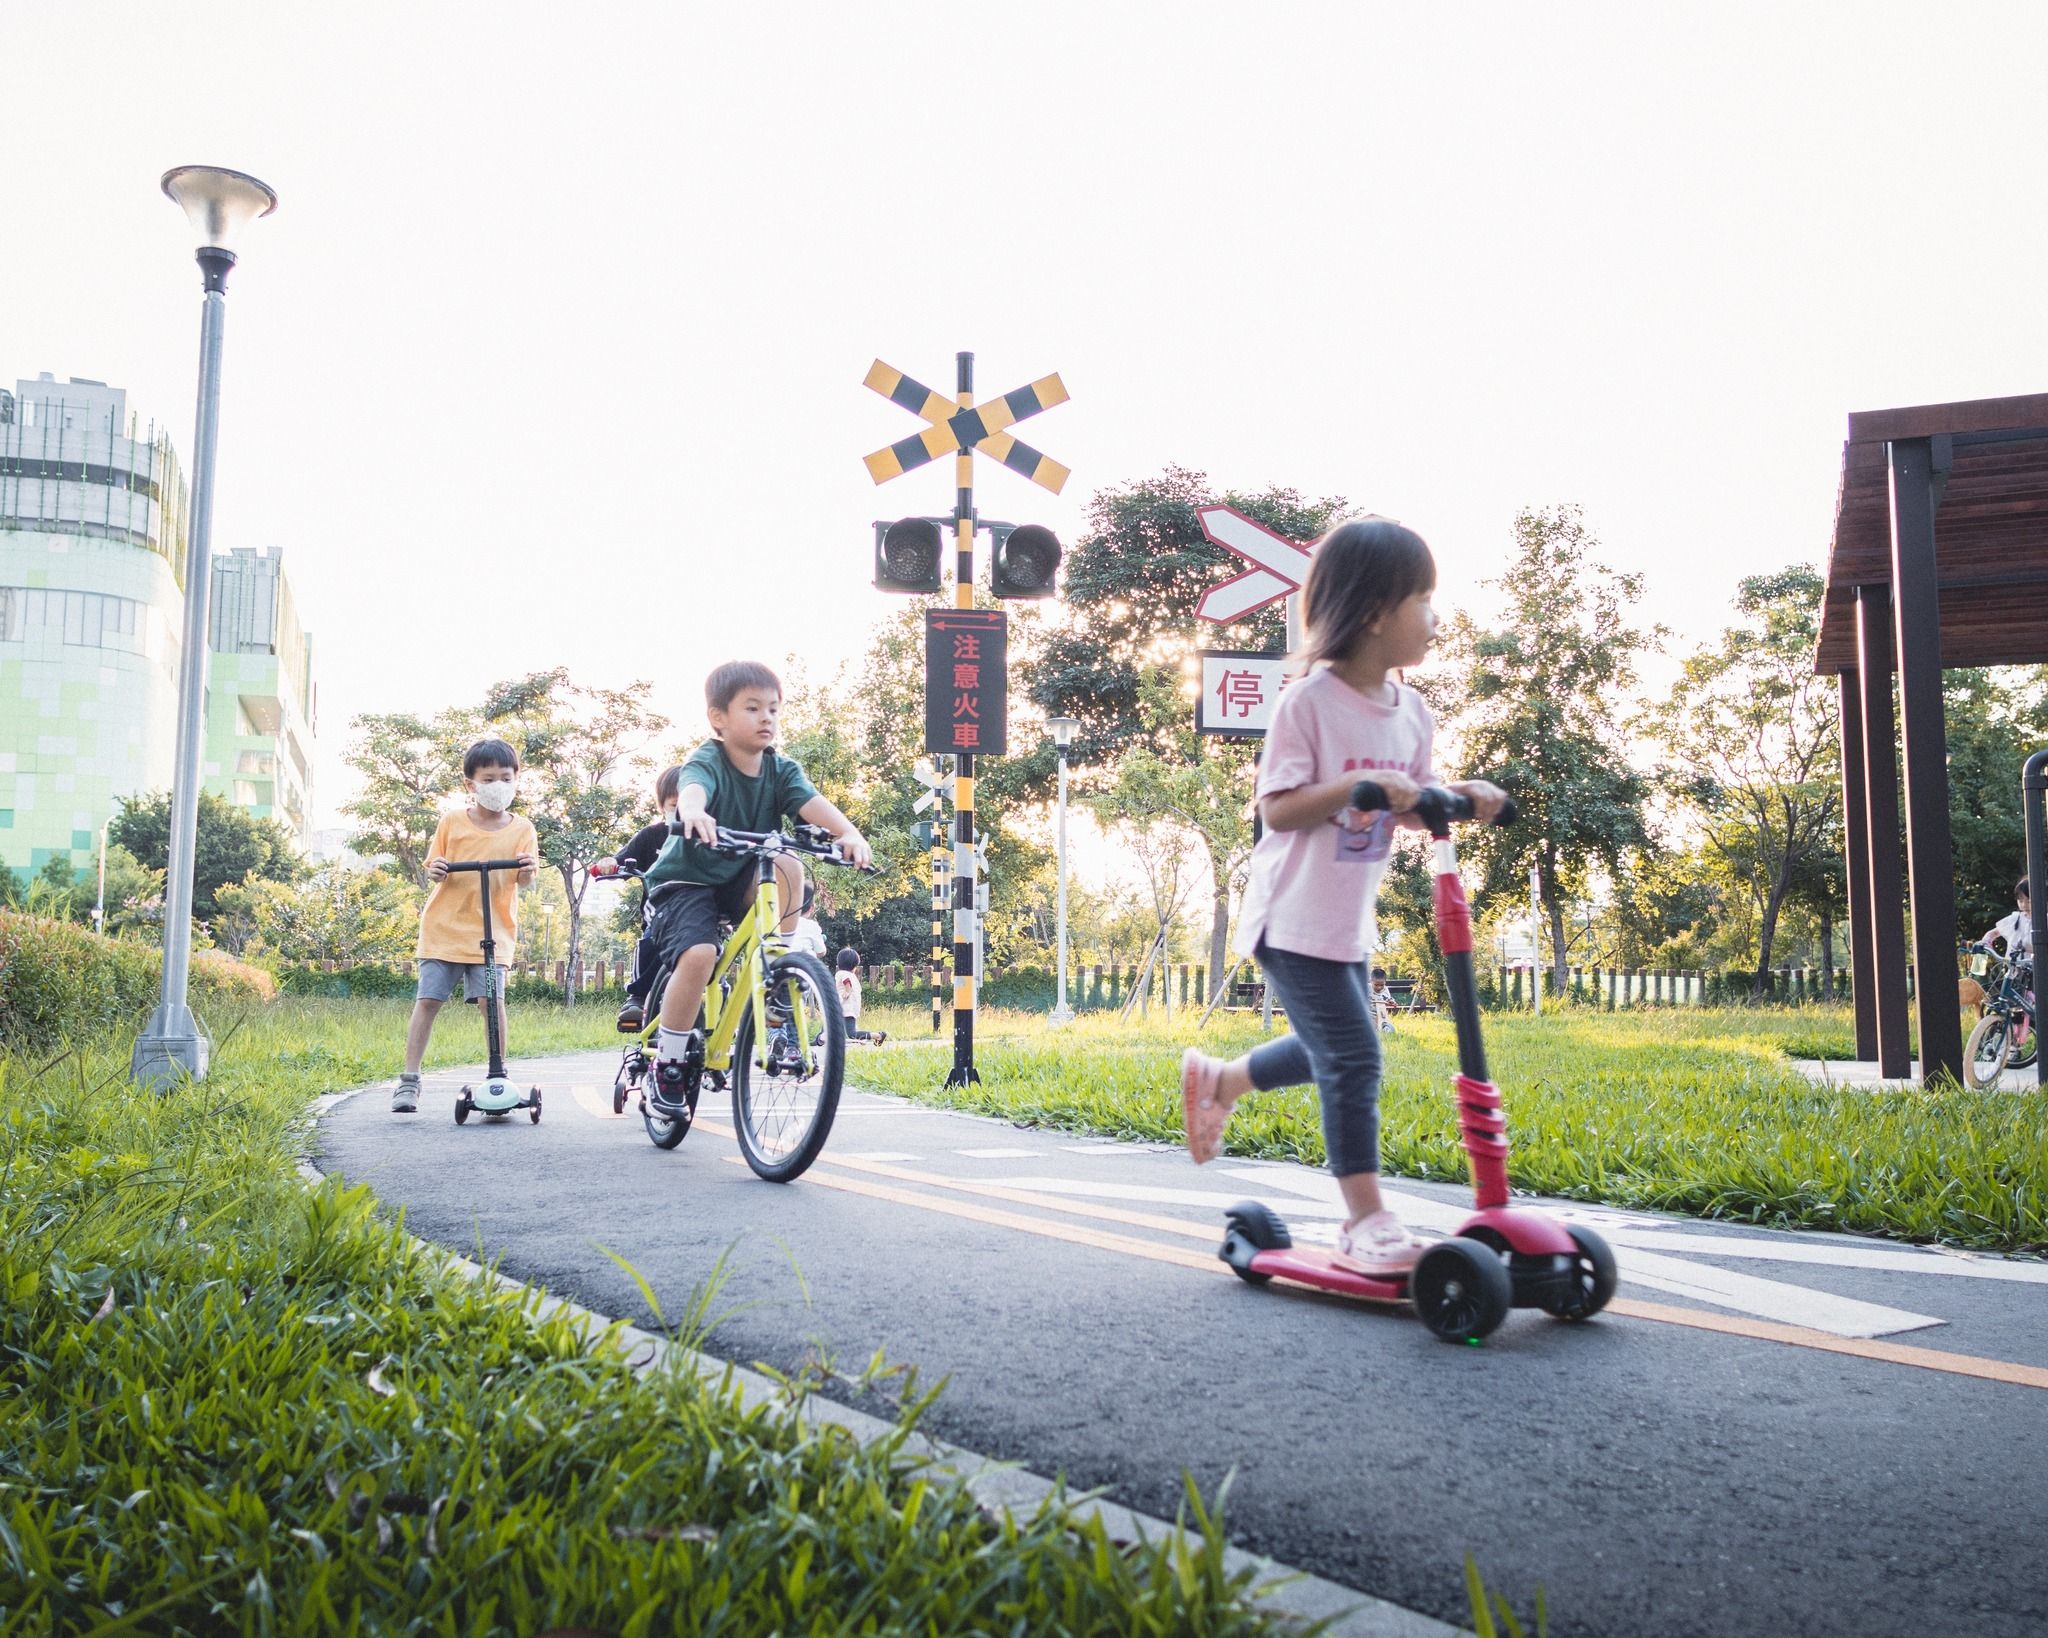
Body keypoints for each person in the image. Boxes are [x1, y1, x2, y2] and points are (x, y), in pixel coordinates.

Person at [1174, 518, 1505, 1276]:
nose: (1435, 615)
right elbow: (1281, 809)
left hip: (1345, 923)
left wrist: (1458, 797)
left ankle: (1220, 1079)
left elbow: (1413, 806)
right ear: (1375, 611)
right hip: (1290, 917)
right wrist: (1356, 788)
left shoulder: (1412, 711)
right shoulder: (1307, 704)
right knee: (1354, 1057)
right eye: (1423, 598)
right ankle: (1364, 1222)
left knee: (1345, 1049)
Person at [642, 661, 871, 1111]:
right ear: (719, 718)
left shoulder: (781, 770)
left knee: (788, 864)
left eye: (773, 709)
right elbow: (693, 789)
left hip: (740, 878)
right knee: (701, 954)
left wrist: (849, 833)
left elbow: (812, 803)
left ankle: (779, 972)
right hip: (685, 882)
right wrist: (693, 813)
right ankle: (668, 1062)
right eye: (752, 708)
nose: (767, 717)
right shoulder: (708, 759)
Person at [393, 738, 539, 1113]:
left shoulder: (523, 829)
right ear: (470, 784)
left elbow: (526, 880)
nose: (498, 785)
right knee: (428, 1001)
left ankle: (498, 1074)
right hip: (445, 929)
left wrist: (526, 871)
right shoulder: (452, 822)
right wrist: (438, 870)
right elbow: (435, 868)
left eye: (505, 777)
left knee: (492, 1003)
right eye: (488, 778)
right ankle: (409, 1080)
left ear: (516, 778)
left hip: (494, 932)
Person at [594, 764, 684, 1033]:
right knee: (652, 937)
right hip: (661, 912)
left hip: (702, 915)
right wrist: (610, 863)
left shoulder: (708, 835)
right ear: (662, 806)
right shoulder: (651, 837)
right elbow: (621, 860)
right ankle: (639, 996)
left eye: (690, 803)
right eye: (675, 804)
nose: (682, 811)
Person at [835, 946, 888, 1044]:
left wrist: (847, 991)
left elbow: (847, 982)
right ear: (854, 965)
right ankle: (863, 1039)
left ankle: (878, 1035)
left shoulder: (841, 973)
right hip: (851, 1008)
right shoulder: (853, 976)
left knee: (851, 1033)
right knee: (840, 1027)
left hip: (846, 1008)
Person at [1982, 876, 2034, 965]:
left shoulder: (2044, 920)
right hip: (2013, 969)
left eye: (2028, 901)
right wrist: (1986, 941)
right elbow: (1994, 933)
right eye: (2020, 901)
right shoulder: (2015, 919)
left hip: (2038, 970)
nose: (2024, 905)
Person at [1370, 965, 1395, 1033]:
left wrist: (1391, 1002)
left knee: (1386, 1026)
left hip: (1382, 1015)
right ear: (1371, 981)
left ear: (1385, 982)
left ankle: (1386, 1030)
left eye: (1382, 985)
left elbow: (1389, 999)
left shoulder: (1385, 989)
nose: (1379, 987)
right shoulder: (1366, 988)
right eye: (1376, 985)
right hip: (1369, 1015)